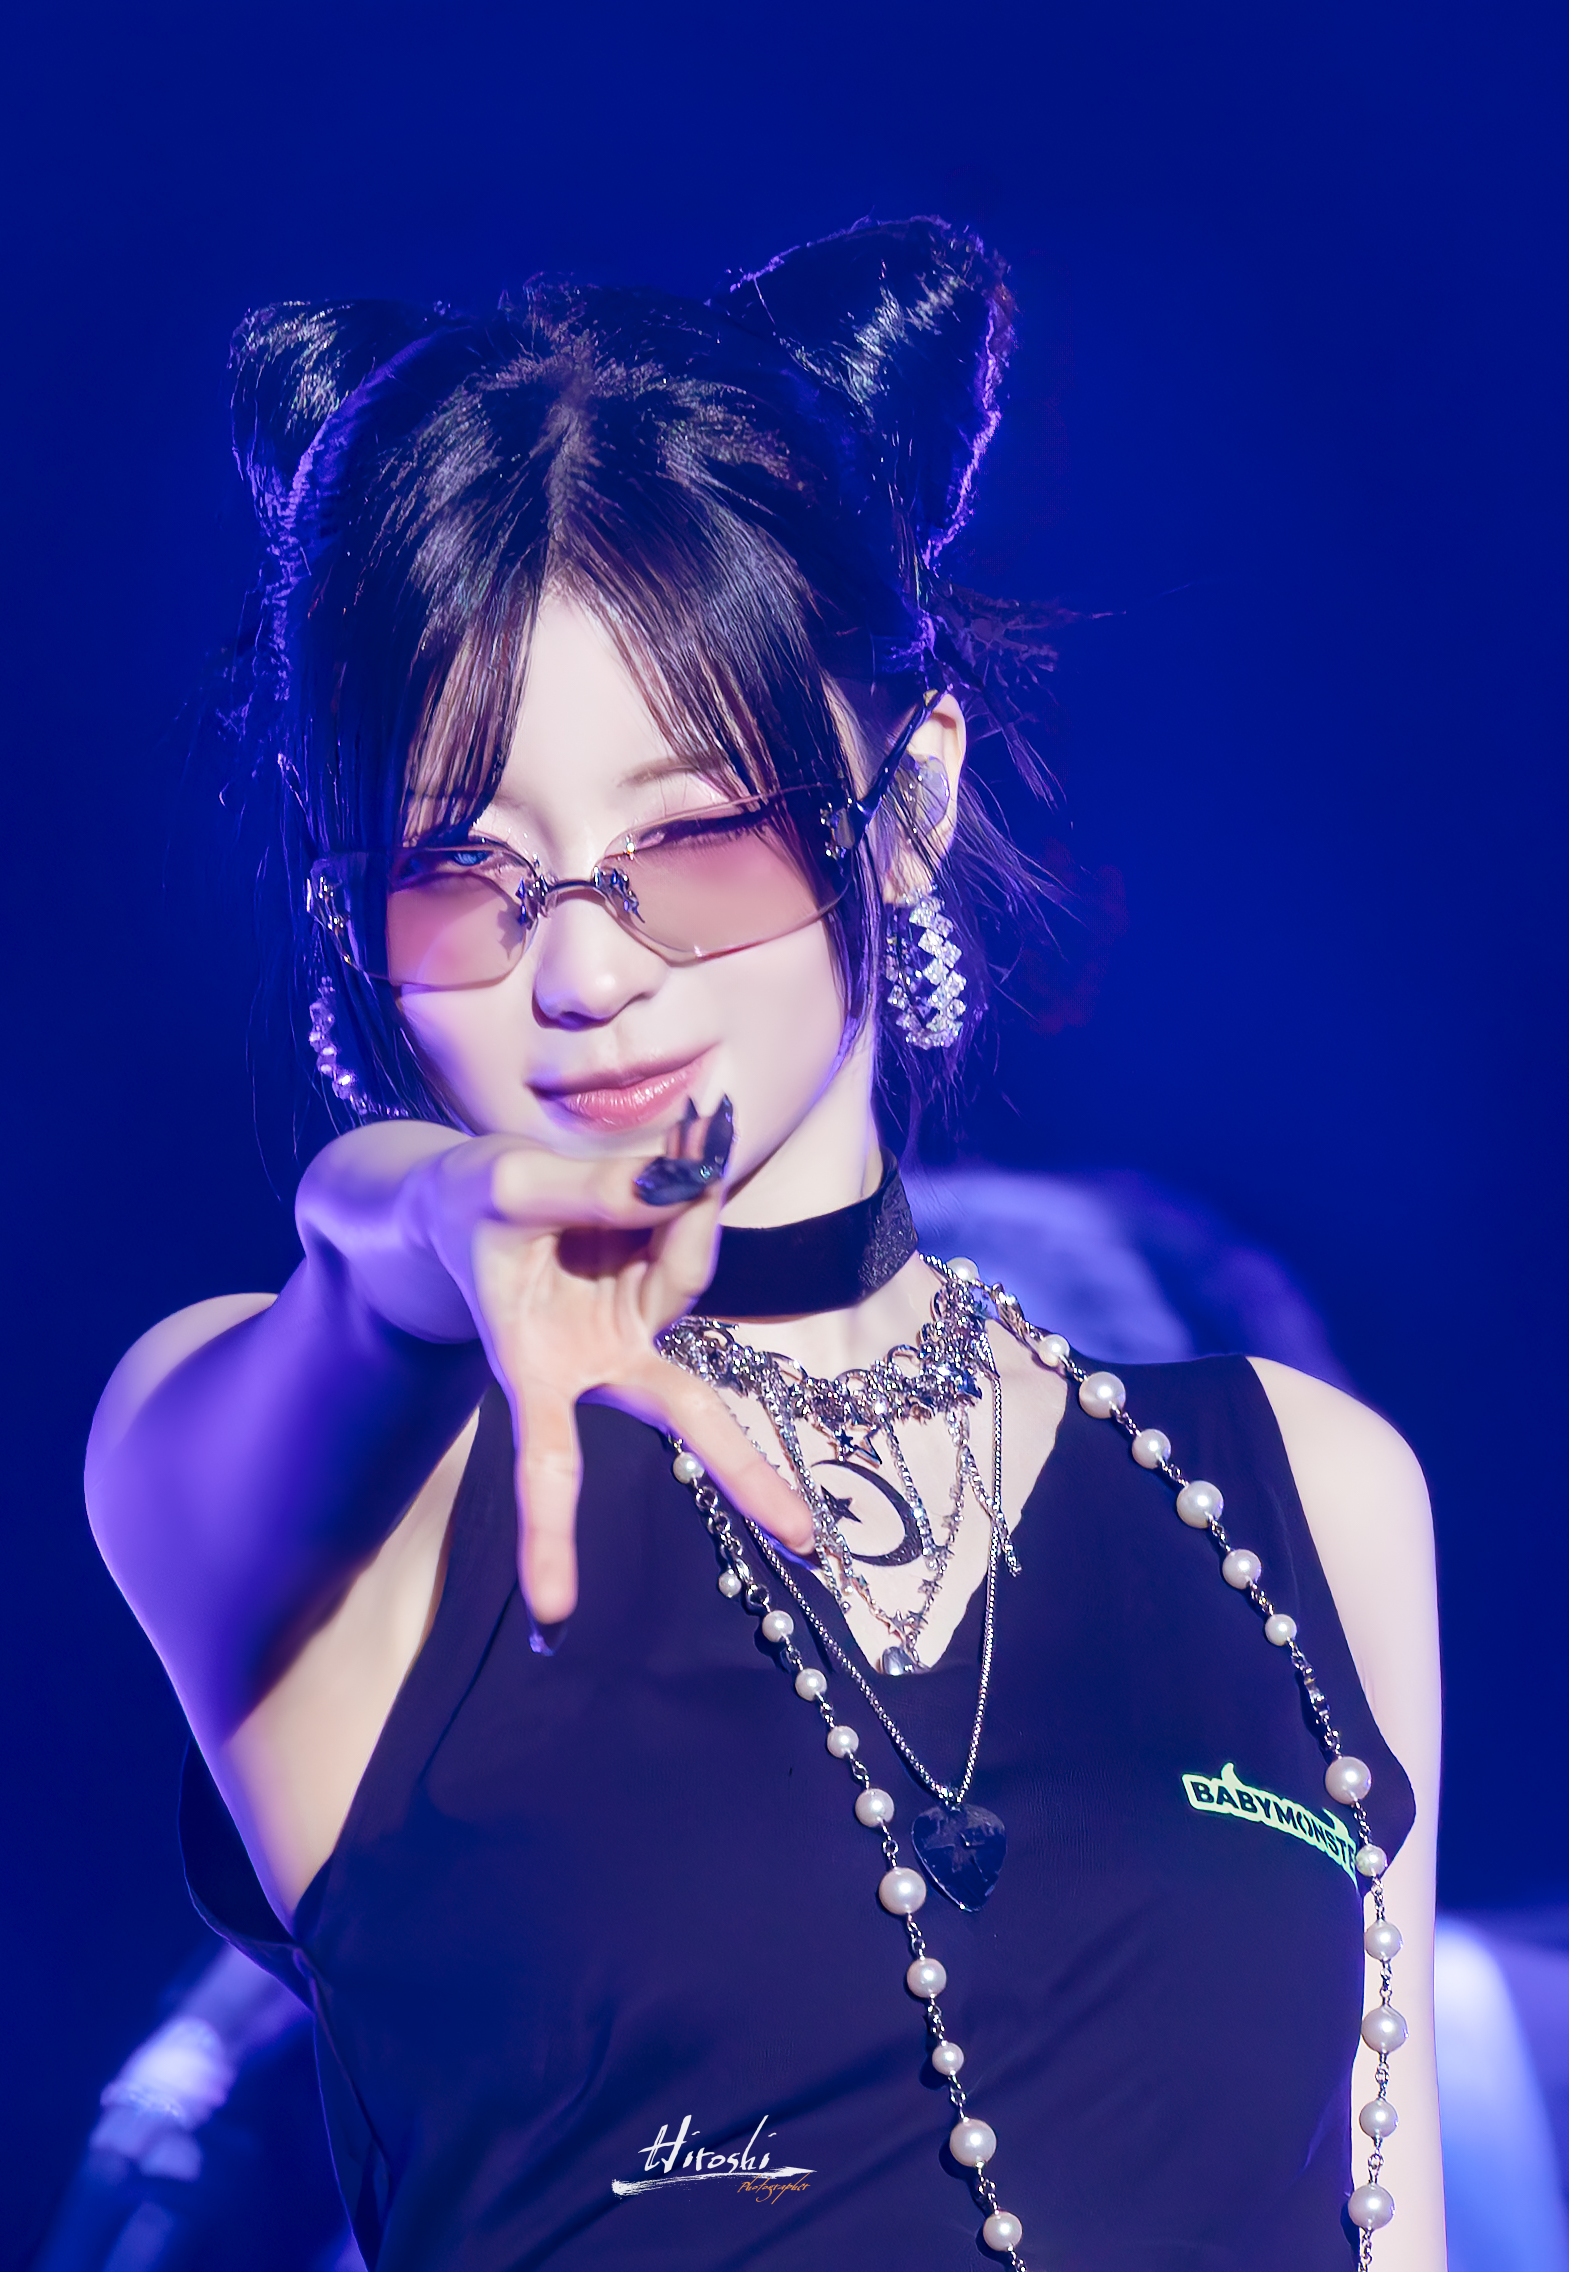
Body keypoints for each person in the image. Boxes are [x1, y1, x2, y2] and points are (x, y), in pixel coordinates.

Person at [86, 220, 1444, 2269]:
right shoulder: (310, 1503)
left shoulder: (1304, 1494)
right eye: (465, 878)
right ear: (351, 917)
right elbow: (345, 1281)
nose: (584, 972)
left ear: (906, 805)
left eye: (694, 839)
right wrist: (422, 1206)